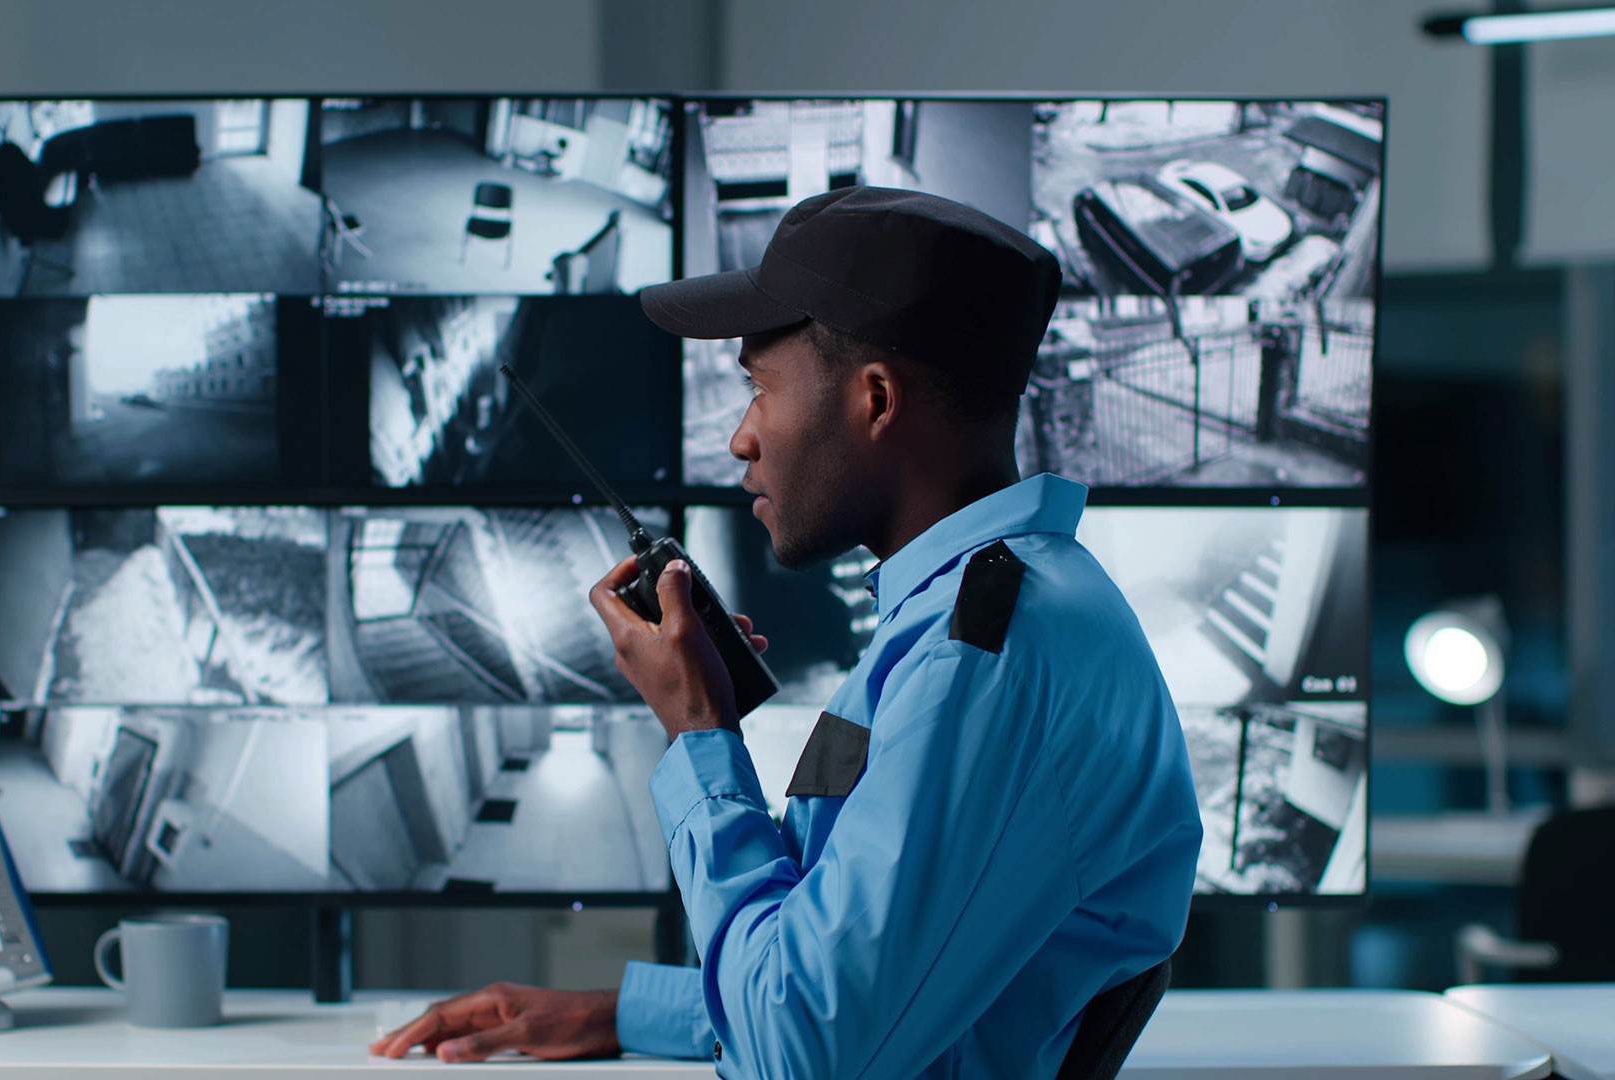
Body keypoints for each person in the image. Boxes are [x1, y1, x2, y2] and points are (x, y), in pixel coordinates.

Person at [371, 186, 1203, 1079]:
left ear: (875, 399)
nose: (740, 438)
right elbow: (861, 974)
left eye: (761, 389)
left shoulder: (983, 662)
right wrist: (619, 1013)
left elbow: (804, 1052)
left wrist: (700, 734)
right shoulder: (965, 621)